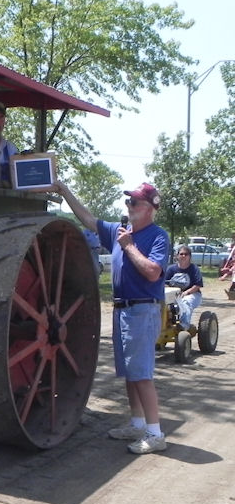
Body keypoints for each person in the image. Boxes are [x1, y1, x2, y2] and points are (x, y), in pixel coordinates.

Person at [54, 180, 170, 454]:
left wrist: (128, 246)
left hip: (142, 309)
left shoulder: (158, 236)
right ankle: (137, 424)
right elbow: (88, 219)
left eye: (134, 202)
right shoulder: (118, 231)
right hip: (123, 310)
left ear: (150, 208)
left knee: (141, 374)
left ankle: (155, 434)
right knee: (131, 373)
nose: (129, 206)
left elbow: (153, 272)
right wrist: (64, 190)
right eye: (128, 201)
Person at [165, 245, 203, 329]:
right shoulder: (170, 269)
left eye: (186, 254)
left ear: (190, 256)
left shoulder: (194, 269)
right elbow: (164, 283)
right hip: (174, 295)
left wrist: (186, 293)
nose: (183, 256)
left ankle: (184, 325)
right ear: (177, 256)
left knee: (185, 301)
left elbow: (198, 285)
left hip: (193, 294)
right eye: (181, 254)